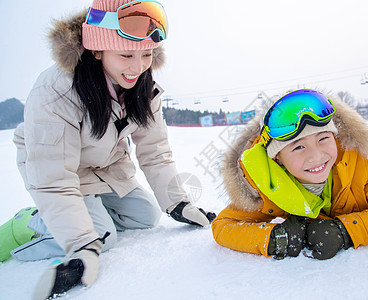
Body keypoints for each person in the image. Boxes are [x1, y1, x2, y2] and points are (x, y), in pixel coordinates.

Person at [0, 0, 215, 298]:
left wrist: (178, 203)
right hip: (55, 167)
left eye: (147, 55)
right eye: (126, 54)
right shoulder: (55, 90)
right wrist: (81, 243)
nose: (137, 67)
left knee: (145, 216)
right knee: (103, 238)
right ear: (97, 50)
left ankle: (85, 214)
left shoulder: (143, 87)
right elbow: (53, 176)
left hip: (105, 165)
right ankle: (32, 222)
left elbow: (155, 150)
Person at [212, 89, 368, 260]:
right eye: (298, 147)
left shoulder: (364, 160)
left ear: (335, 137)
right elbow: (223, 226)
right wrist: (274, 238)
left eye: (323, 138)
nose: (316, 156)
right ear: (277, 160)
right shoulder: (267, 183)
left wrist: (346, 230)